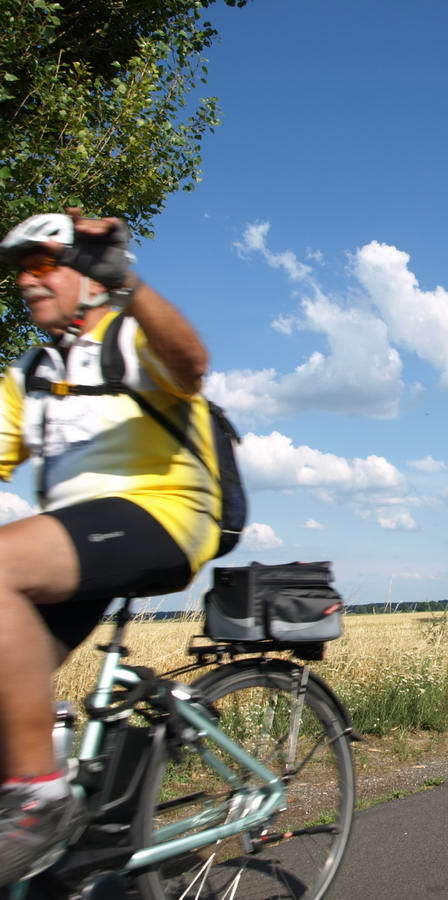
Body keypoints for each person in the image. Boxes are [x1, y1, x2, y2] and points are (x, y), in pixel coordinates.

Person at [0, 211, 219, 884]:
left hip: (165, 514)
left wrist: (128, 283)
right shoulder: (29, 375)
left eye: (43, 265)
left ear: (87, 277)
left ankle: (42, 797)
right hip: (77, 540)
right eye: (21, 271)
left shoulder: (130, 336)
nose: (28, 282)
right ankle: (73, 843)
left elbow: (191, 364)